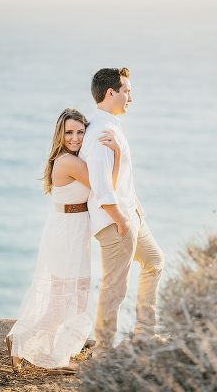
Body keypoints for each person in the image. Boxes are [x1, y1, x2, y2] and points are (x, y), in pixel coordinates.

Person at [6, 108, 120, 374]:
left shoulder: (71, 159)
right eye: (69, 132)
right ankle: (37, 349)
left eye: (81, 132)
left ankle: (32, 345)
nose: (75, 138)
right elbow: (107, 187)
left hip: (71, 230)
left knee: (66, 299)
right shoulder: (68, 162)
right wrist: (119, 154)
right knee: (70, 300)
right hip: (67, 233)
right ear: (61, 134)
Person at [80, 67, 165, 356]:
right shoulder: (100, 131)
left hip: (130, 215)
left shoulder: (112, 126)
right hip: (116, 220)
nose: (130, 97)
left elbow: (118, 179)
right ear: (110, 93)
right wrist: (122, 221)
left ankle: (143, 335)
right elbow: (103, 187)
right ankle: (103, 351)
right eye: (126, 91)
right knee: (115, 286)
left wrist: (134, 213)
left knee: (154, 261)